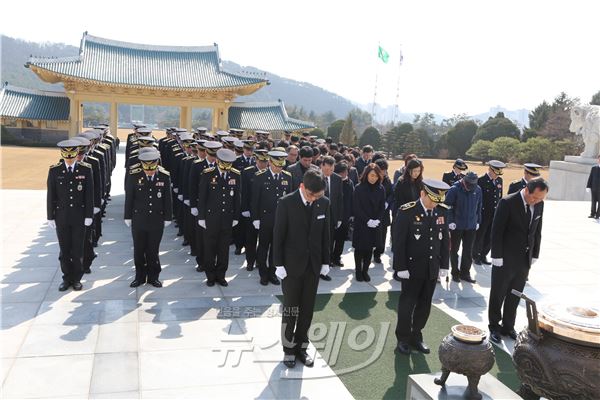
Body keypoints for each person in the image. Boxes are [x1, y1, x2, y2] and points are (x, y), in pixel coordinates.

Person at [273, 169, 330, 368]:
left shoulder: (324, 203)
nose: (314, 199)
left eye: (318, 195)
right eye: (311, 195)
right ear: (302, 187)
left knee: (307, 311)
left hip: (313, 266)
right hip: (291, 267)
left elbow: (326, 234)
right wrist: (278, 263)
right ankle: (288, 350)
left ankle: (302, 348)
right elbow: (278, 234)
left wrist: (325, 261)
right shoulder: (286, 202)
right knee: (291, 310)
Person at [392, 179, 450, 355]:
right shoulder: (407, 211)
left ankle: (416, 335)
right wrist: (400, 266)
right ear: (422, 194)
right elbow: (399, 241)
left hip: (431, 268)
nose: (434, 204)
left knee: (425, 305)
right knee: (407, 304)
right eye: (432, 200)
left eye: (438, 201)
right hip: (411, 268)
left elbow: (445, 240)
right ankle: (403, 338)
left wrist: (444, 265)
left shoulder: (441, 211)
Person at [488, 178, 548, 344]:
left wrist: (535, 252)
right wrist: (497, 256)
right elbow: (496, 231)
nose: (536, 201)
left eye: (541, 199)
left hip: (524, 260)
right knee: (498, 293)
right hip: (505, 258)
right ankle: (494, 326)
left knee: (515, 294)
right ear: (527, 190)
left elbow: (537, 230)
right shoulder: (507, 202)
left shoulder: (539, 204)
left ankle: (508, 326)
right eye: (535, 197)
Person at [47, 140, 94, 291]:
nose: (69, 158)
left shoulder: (86, 169)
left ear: (76, 154)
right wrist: (50, 216)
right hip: (61, 217)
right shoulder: (55, 170)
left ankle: (77, 279)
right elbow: (51, 196)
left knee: (78, 249)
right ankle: (66, 278)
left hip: (79, 217)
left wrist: (89, 215)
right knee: (64, 249)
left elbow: (89, 195)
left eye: (71, 155)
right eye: (66, 155)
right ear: (62, 154)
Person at [124, 150, 172, 288]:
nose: (149, 172)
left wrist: (168, 216)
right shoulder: (134, 176)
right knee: (139, 250)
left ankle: (153, 277)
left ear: (157, 165)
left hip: (156, 220)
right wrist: (127, 216)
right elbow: (129, 198)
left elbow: (167, 199)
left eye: (152, 169)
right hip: (139, 219)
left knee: (153, 250)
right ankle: (139, 277)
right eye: (147, 169)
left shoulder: (164, 176)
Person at [197, 149, 241, 287]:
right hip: (211, 218)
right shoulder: (208, 174)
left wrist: (236, 216)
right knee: (209, 248)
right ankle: (210, 276)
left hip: (227, 218)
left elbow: (237, 197)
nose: (226, 167)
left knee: (223, 250)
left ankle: (221, 275)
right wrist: (201, 217)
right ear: (218, 161)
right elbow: (202, 197)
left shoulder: (235, 175)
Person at [252, 150, 292, 286]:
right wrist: (255, 218)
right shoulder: (260, 176)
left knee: (276, 248)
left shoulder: (287, 177)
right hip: (265, 219)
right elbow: (255, 200)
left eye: (281, 165)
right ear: (270, 162)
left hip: (280, 220)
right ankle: (263, 274)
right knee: (263, 247)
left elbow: (289, 200)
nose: (279, 168)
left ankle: (272, 273)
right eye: (276, 165)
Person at [444, 172, 482, 283]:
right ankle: (455, 273)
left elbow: (479, 206)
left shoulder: (478, 190)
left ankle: (465, 273)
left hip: (471, 225)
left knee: (468, 251)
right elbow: (447, 206)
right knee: (454, 250)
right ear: (464, 181)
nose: (470, 188)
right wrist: (450, 221)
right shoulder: (454, 189)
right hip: (456, 225)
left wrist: (478, 221)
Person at [352, 163, 386, 282]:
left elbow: (382, 207)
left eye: (376, 176)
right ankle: (358, 271)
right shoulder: (359, 188)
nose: (373, 178)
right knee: (360, 248)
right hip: (362, 223)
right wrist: (367, 220)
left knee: (369, 248)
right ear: (366, 175)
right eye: (371, 175)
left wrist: (377, 220)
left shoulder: (381, 189)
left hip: (375, 223)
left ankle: (365, 270)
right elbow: (356, 207)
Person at [241, 148, 269, 271]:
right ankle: (250, 261)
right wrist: (245, 208)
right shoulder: (248, 172)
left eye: (265, 161)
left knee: (263, 240)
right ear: (256, 159)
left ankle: (260, 261)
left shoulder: (269, 173)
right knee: (250, 239)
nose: (263, 164)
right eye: (261, 161)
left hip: (265, 212)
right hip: (251, 211)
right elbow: (244, 192)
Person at [472, 160, 506, 265]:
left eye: (499, 173)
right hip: (483, 213)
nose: (497, 175)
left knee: (490, 236)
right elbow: (476, 199)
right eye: (496, 172)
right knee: (480, 235)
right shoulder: (481, 180)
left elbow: (499, 197)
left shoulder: (499, 180)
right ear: (490, 169)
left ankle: (483, 255)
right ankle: (475, 255)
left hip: (494, 213)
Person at [319, 156, 343, 281]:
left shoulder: (337, 179)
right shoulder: (315, 177)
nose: (329, 171)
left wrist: (339, 217)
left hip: (332, 217)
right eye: (327, 169)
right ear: (322, 166)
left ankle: (325, 268)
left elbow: (339, 198)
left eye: (331, 169)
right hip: (317, 216)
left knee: (328, 243)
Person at [331, 162, 354, 267]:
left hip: (345, 215)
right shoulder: (333, 181)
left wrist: (351, 214)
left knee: (341, 239)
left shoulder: (350, 183)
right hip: (333, 214)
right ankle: (328, 258)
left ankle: (337, 257)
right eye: (340, 173)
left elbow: (352, 199)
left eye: (344, 172)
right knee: (330, 238)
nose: (342, 175)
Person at [373, 158, 393, 264]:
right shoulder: (371, 179)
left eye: (385, 170)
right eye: (382, 170)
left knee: (383, 234)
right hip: (372, 211)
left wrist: (387, 202)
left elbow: (391, 193)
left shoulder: (387, 180)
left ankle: (378, 253)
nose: (384, 173)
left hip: (384, 212)